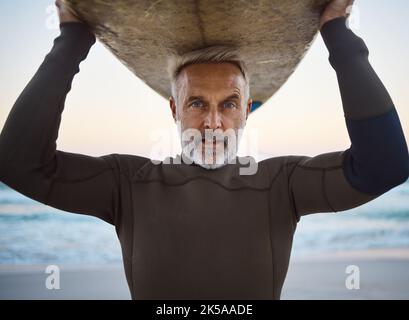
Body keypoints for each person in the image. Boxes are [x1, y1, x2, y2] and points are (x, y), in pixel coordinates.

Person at [0, 0, 407, 299]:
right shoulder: (128, 185)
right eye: (197, 103)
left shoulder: (281, 186)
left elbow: (385, 165)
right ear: (174, 108)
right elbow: (20, 164)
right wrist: (71, 42)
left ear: (247, 111)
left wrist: (337, 33)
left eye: (228, 104)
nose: (213, 122)